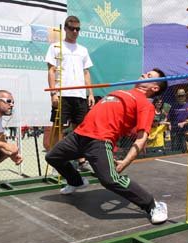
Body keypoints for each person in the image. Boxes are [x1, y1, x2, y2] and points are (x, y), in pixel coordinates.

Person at [46, 69, 169, 224]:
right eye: (145, 73)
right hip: (79, 135)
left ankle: (153, 205)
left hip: (100, 140)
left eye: (149, 76)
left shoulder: (145, 105)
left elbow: (141, 138)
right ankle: (76, 181)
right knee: (52, 157)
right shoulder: (119, 91)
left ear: (155, 88)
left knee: (109, 180)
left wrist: (125, 161)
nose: (144, 74)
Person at [45, 15, 95, 172]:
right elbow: (51, 70)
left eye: (78, 29)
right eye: (72, 28)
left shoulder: (83, 50)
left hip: (80, 95)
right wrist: (53, 94)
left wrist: (90, 94)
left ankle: (82, 161)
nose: (75, 31)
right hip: (62, 94)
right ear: (65, 29)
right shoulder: (56, 47)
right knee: (58, 128)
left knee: (81, 128)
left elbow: (86, 72)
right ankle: (56, 161)